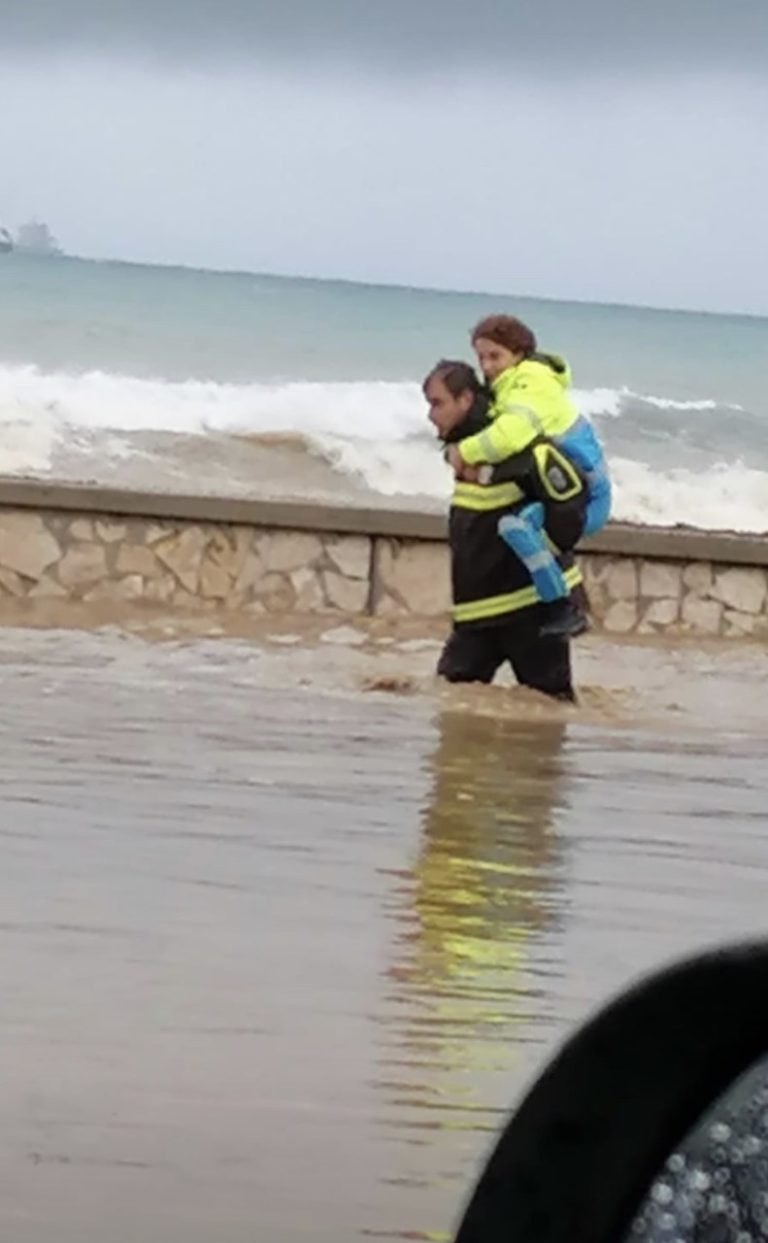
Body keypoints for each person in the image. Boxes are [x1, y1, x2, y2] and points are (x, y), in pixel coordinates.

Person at [423, 359, 582, 701]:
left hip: (529, 612)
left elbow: (569, 501)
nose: (430, 415)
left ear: (465, 399)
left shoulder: (517, 447)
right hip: (477, 615)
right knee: (452, 710)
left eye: (437, 404)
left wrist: (550, 558)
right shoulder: (463, 452)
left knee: (550, 714)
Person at [447, 314, 611, 639]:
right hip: (561, 491)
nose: (488, 366)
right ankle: (558, 605)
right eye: (481, 358)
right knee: (525, 537)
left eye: (495, 356)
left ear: (519, 353)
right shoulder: (512, 387)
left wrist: (464, 451)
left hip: (586, 496)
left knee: (517, 528)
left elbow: (510, 435)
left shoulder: (530, 385)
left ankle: (564, 607)